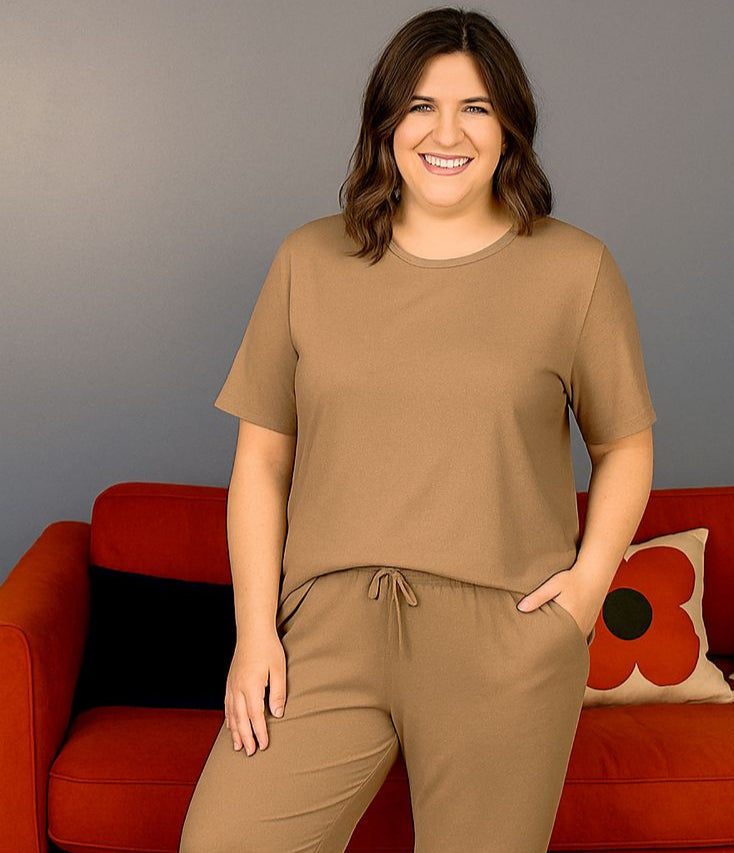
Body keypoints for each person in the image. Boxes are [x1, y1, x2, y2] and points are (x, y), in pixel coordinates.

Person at [179, 7, 657, 853]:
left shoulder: (573, 268)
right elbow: (260, 461)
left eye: (475, 106)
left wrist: (582, 594)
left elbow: (623, 445)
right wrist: (255, 634)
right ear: (384, 122)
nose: (447, 132)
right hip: (328, 628)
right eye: (420, 105)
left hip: (501, 635)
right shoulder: (307, 260)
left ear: (509, 125)